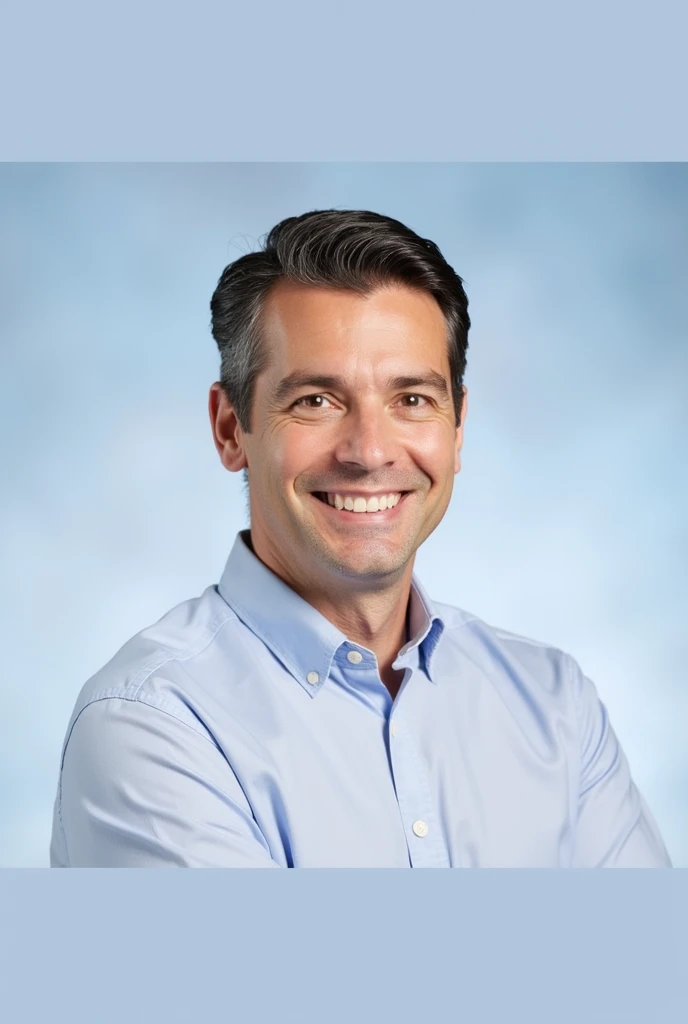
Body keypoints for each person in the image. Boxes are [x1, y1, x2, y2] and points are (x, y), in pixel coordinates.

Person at [50, 209, 671, 868]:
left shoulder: (555, 704)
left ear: (456, 430)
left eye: (412, 400)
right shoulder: (151, 725)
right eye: (317, 400)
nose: (370, 451)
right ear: (232, 429)